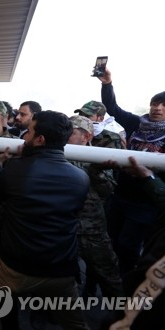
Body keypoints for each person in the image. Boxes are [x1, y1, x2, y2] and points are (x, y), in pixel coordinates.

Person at [0, 111, 92, 330]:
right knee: (77, 325)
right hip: (61, 270)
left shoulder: (17, 169)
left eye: (30, 131)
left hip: (13, 268)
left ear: (40, 140)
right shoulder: (81, 178)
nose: (24, 136)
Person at [98, 68, 165, 274]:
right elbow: (112, 107)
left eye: (163, 105)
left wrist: (148, 174)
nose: (158, 108)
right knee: (110, 240)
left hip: (145, 203)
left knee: (129, 247)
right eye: (155, 103)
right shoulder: (136, 123)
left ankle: (126, 288)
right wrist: (107, 83)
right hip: (120, 194)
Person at [100, 157, 165, 330]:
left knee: (128, 248)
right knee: (112, 244)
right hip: (122, 197)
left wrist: (148, 177)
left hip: (145, 207)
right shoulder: (135, 130)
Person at [68, 115, 123, 298]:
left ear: (86, 137)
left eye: (72, 132)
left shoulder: (98, 158)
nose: (67, 135)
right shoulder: (60, 155)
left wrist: (95, 172)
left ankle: (121, 316)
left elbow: (107, 191)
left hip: (93, 229)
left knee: (109, 274)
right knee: (62, 274)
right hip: (66, 228)